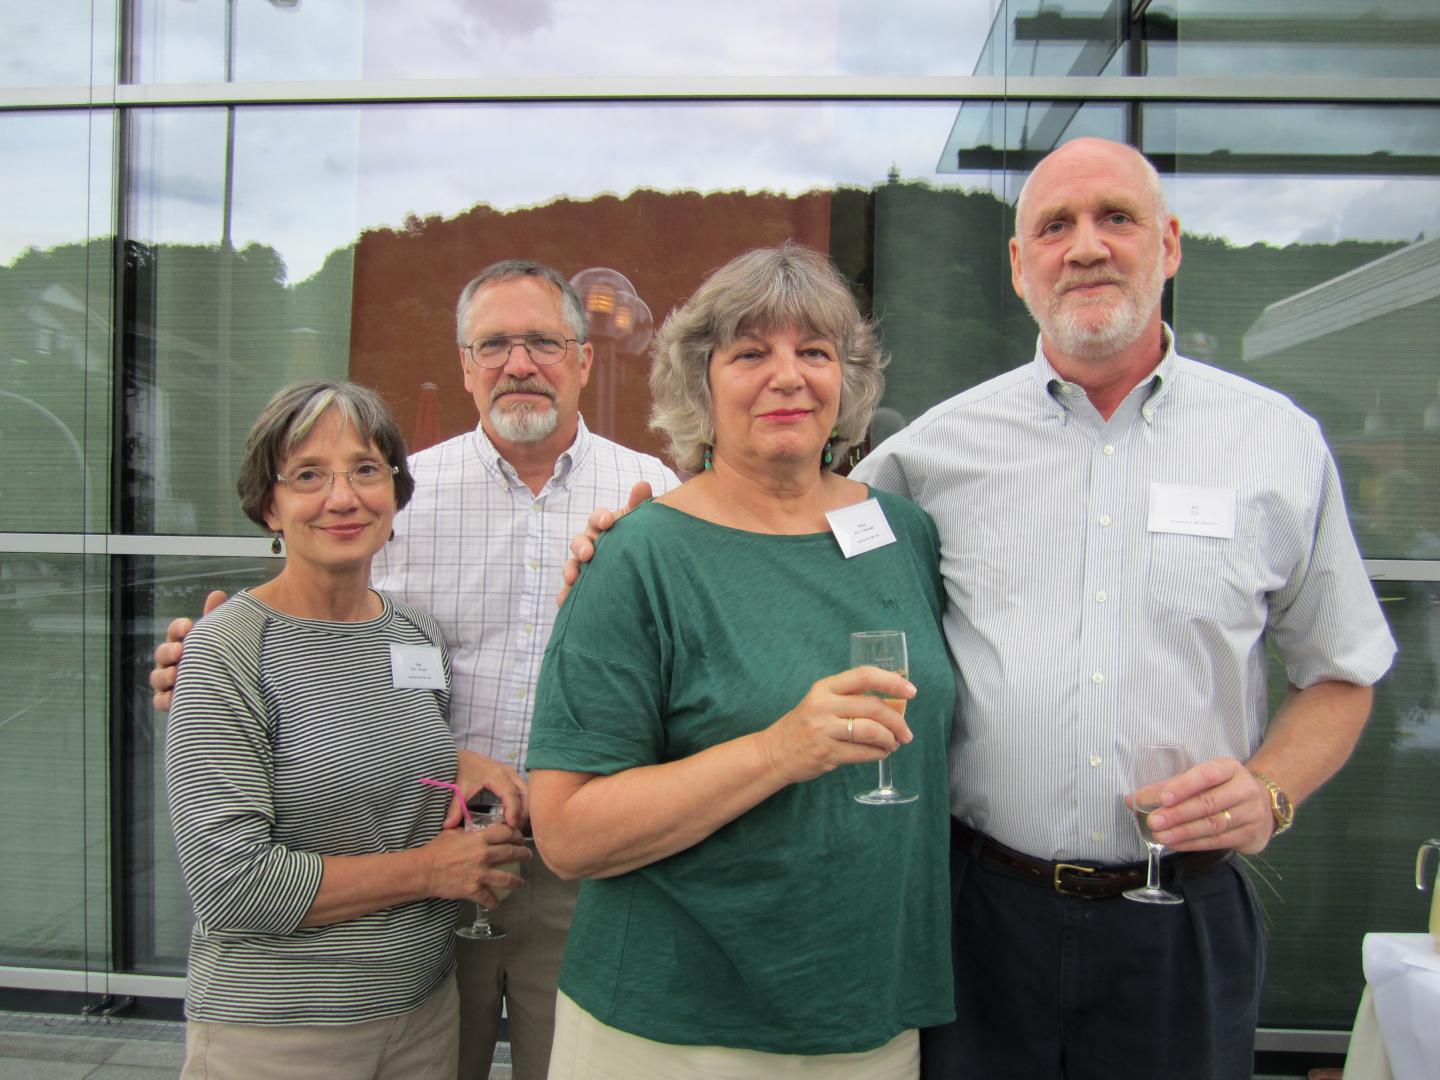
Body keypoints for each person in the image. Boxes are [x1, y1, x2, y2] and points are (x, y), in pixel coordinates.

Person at [565, 141, 1397, 1079]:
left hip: (1180, 917)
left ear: (1169, 244)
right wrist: (632, 547)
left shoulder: (1277, 444)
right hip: (981, 921)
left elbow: (1342, 672)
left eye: (1116, 219)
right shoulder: (935, 455)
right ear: (1017, 264)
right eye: (1055, 226)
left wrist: (1273, 792)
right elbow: (778, 525)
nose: (1086, 247)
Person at [152, 261, 678, 1080]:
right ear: (466, 365)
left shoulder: (653, 495)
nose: (518, 363)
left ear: (583, 357)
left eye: (542, 342)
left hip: (582, 867)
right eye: (493, 344)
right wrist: (211, 662)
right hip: (429, 862)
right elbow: (321, 639)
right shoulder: (400, 493)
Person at [526, 243, 955, 1079]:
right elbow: (567, 833)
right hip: (673, 1032)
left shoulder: (905, 533)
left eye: (815, 352)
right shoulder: (640, 555)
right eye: (751, 353)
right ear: (701, 384)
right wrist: (777, 751)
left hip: (870, 1016)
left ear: (847, 381)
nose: (788, 377)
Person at [164, 380, 529, 1080]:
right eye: (308, 475)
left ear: (394, 491)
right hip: (283, 1032)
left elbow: (373, 744)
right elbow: (232, 884)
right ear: (269, 505)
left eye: (365, 469)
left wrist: (454, 760)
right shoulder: (226, 650)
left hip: (425, 1016)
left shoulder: (414, 633)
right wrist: (433, 870)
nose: (343, 497)